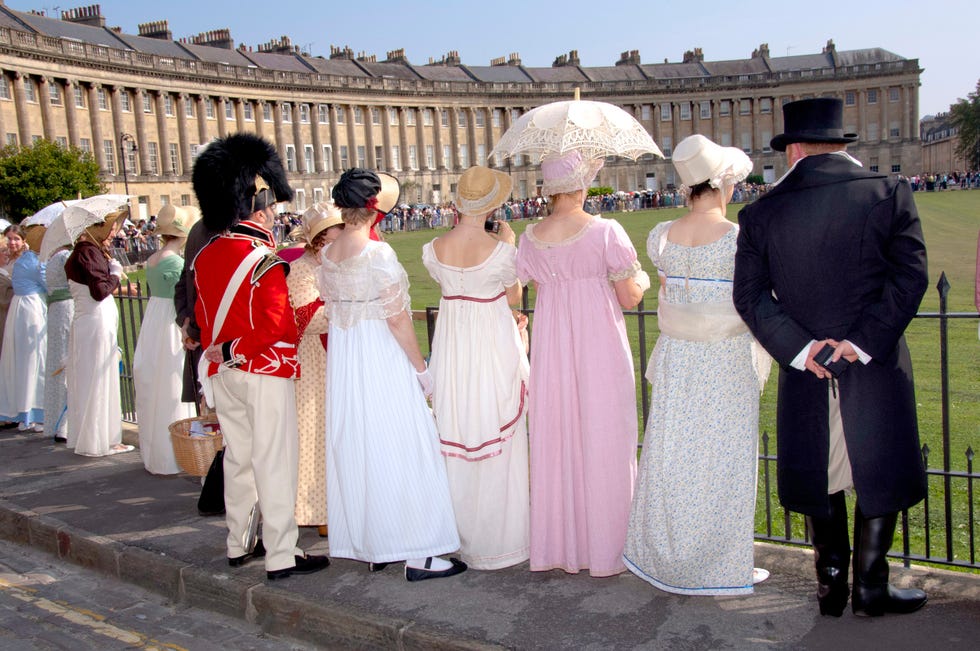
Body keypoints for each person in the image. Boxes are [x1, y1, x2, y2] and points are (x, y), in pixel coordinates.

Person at [733, 98, 929, 617]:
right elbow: (909, 276)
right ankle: (869, 586)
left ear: (793, 149)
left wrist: (802, 348)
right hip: (875, 359)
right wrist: (862, 342)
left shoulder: (760, 212)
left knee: (824, 469)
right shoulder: (888, 191)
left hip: (808, 365)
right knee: (876, 465)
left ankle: (831, 586)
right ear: (841, 144)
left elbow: (750, 297)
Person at [623, 134, 770, 595]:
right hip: (723, 361)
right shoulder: (736, 239)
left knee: (674, 457)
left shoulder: (661, 236)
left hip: (680, 360)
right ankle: (718, 565)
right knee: (724, 460)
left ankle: (670, 557)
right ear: (724, 185)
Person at [192, 133, 329, 581]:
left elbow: (201, 315)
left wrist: (225, 350)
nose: (274, 214)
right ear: (257, 206)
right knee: (274, 461)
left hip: (222, 372)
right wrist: (237, 347)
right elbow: (277, 327)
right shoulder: (265, 260)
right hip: (261, 369)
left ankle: (238, 542)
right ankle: (281, 554)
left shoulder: (207, 254)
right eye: (269, 206)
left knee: (240, 458)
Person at [318, 168, 466, 582]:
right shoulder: (376, 254)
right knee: (405, 443)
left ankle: (375, 543)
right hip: (378, 355)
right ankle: (419, 552)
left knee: (362, 445)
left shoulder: (328, 255)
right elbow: (398, 319)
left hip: (348, 360)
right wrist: (422, 368)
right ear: (374, 207)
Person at [515, 150, 650, 577]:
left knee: (559, 438)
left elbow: (524, 286)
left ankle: (562, 544)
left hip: (553, 346)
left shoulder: (530, 236)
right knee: (606, 434)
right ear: (580, 185)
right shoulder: (606, 231)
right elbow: (629, 297)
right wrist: (641, 280)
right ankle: (609, 546)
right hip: (598, 343)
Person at [422, 166, 530, 570]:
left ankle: (461, 533)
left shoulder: (433, 249)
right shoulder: (502, 251)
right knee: (496, 428)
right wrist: (508, 243)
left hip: (453, 340)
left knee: (459, 428)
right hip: (488, 338)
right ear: (492, 205)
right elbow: (514, 293)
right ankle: (501, 540)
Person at [286, 201, 344, 537]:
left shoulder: (333, 263)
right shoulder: (303, 268)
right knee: (314, 434)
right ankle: (317, 510)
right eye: (338, 229)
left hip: (334, 357)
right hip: (313, 361)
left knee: (334, 431)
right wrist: (344, 305)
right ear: (322, 236)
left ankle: (335, 505)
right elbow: (305, 318)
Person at [133, 205, 200, 474]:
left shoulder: (153, 259)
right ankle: (175, 452)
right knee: (172, 381)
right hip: (170, 317)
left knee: (156, 381)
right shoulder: (177, 263)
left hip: (154, 318)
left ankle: (157, 450)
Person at [64, 207, 134, 457]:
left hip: (86, 320)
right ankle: (102, 439)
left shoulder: (80, 254)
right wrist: (115, 274)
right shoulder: (88, 253)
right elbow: (100, 291)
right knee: (99, 377)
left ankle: (94, 436)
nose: (113, 231)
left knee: (88, 377)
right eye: (110, 227)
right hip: (95, 321)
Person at [0, 224, 48, 431]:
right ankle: (27, 410)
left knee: (30, 357)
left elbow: (43, 282)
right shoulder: (23, 259)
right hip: (23, 308)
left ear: (23, 240)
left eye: (15, 239)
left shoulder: (28, 258)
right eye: (9, 239)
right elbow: (47, 284)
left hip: (25, 307)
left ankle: (30, 410)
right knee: (26, 358)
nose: (12, 243)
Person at [42, 238, 73, 442]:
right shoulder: (65, 257)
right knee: (67, 362)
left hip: (54, 311)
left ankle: (55, 420)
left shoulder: (52, 258)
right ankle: (65, 423)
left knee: (57, 361)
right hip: (67, 309)